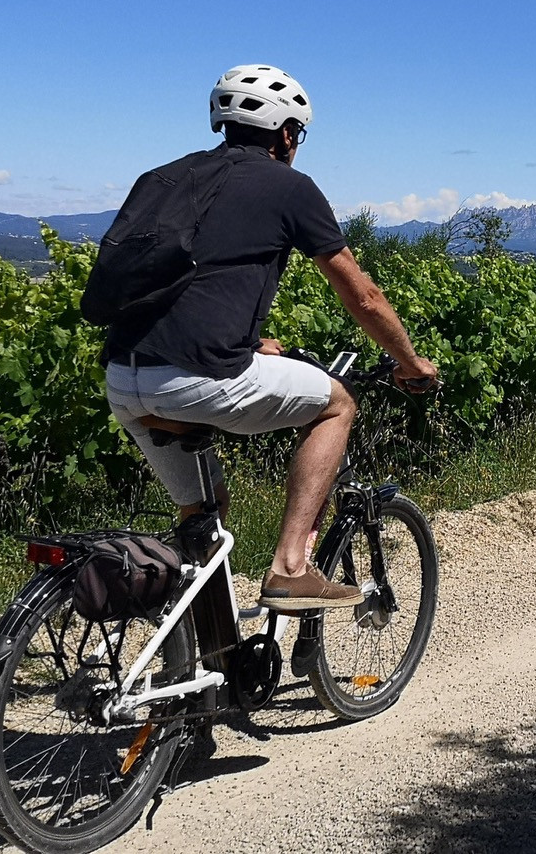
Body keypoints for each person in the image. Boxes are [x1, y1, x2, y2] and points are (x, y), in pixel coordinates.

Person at [102, 64, 437, 610]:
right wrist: (410, 360)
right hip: (202, 379)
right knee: (337, 404)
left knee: (203, 517)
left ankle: (198, 665)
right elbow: (363, 296)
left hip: (125, 375)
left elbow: (183, 274)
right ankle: (290, 568)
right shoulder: (291, 188)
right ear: (286, 134)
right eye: (297, 135)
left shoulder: (162, 178)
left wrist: (246, 341)